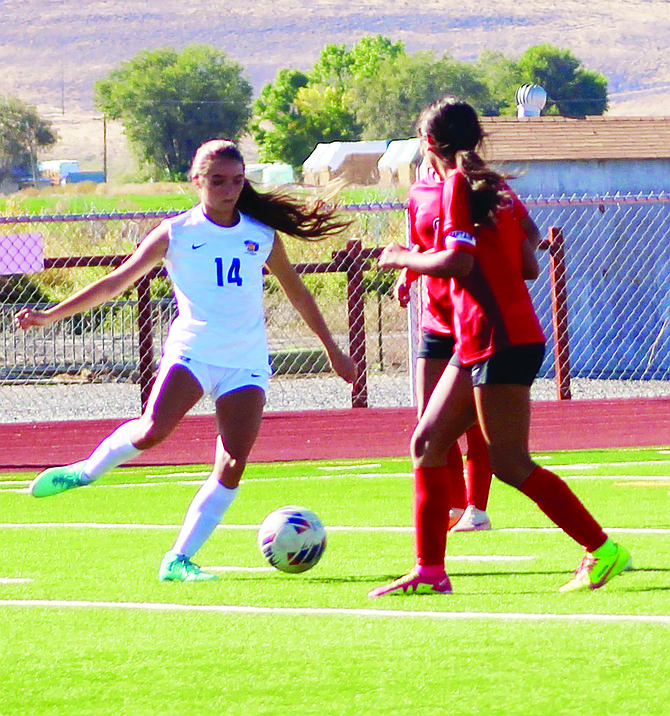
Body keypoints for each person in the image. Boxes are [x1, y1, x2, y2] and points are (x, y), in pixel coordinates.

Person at [16, 138, 357, 582]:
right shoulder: (176, 232)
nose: (228, 189)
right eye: (217, 181)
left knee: (233, 462)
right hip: (192, 352)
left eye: (236, 181)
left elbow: (298, 292)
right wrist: (49, 315)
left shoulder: (260, 234)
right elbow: (115, 282)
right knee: (153, 432)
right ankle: (84, 471)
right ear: (196, 181)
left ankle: (178, 560)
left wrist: (332, 348)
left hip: (245, 361)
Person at [370, 97, 631, 596]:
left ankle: (603, 550)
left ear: (427, 144)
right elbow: (531, 264)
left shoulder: (453, 186)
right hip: (486, 336)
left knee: (510, 462)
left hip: (498, 338)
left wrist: (403, 256)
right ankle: (430, 570)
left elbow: (459, 263)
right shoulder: (495, 189)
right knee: (426, 442)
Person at [394, 159, 497, 533]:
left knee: (471, 419)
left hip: (466, 316)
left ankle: (476, 507)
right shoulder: (418, 191)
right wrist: (408, 273)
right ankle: (453, 504)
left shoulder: (470, 188)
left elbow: (465, 254)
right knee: (429, 418)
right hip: (435, 316)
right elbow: (422, 245)